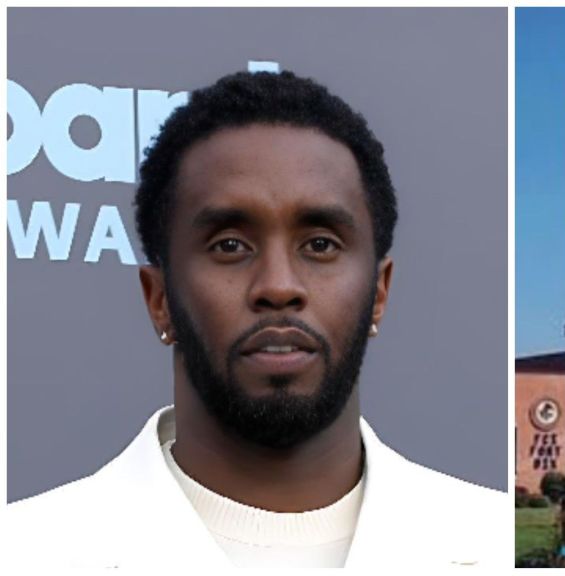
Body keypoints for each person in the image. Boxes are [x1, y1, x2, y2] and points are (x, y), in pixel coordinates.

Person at [5, 70, 506, 568]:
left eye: (320, 245)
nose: (278, 286)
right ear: (159, 299)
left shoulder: (495, 543)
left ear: (379, 292)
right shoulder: (27, 551)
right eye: (229, 246)